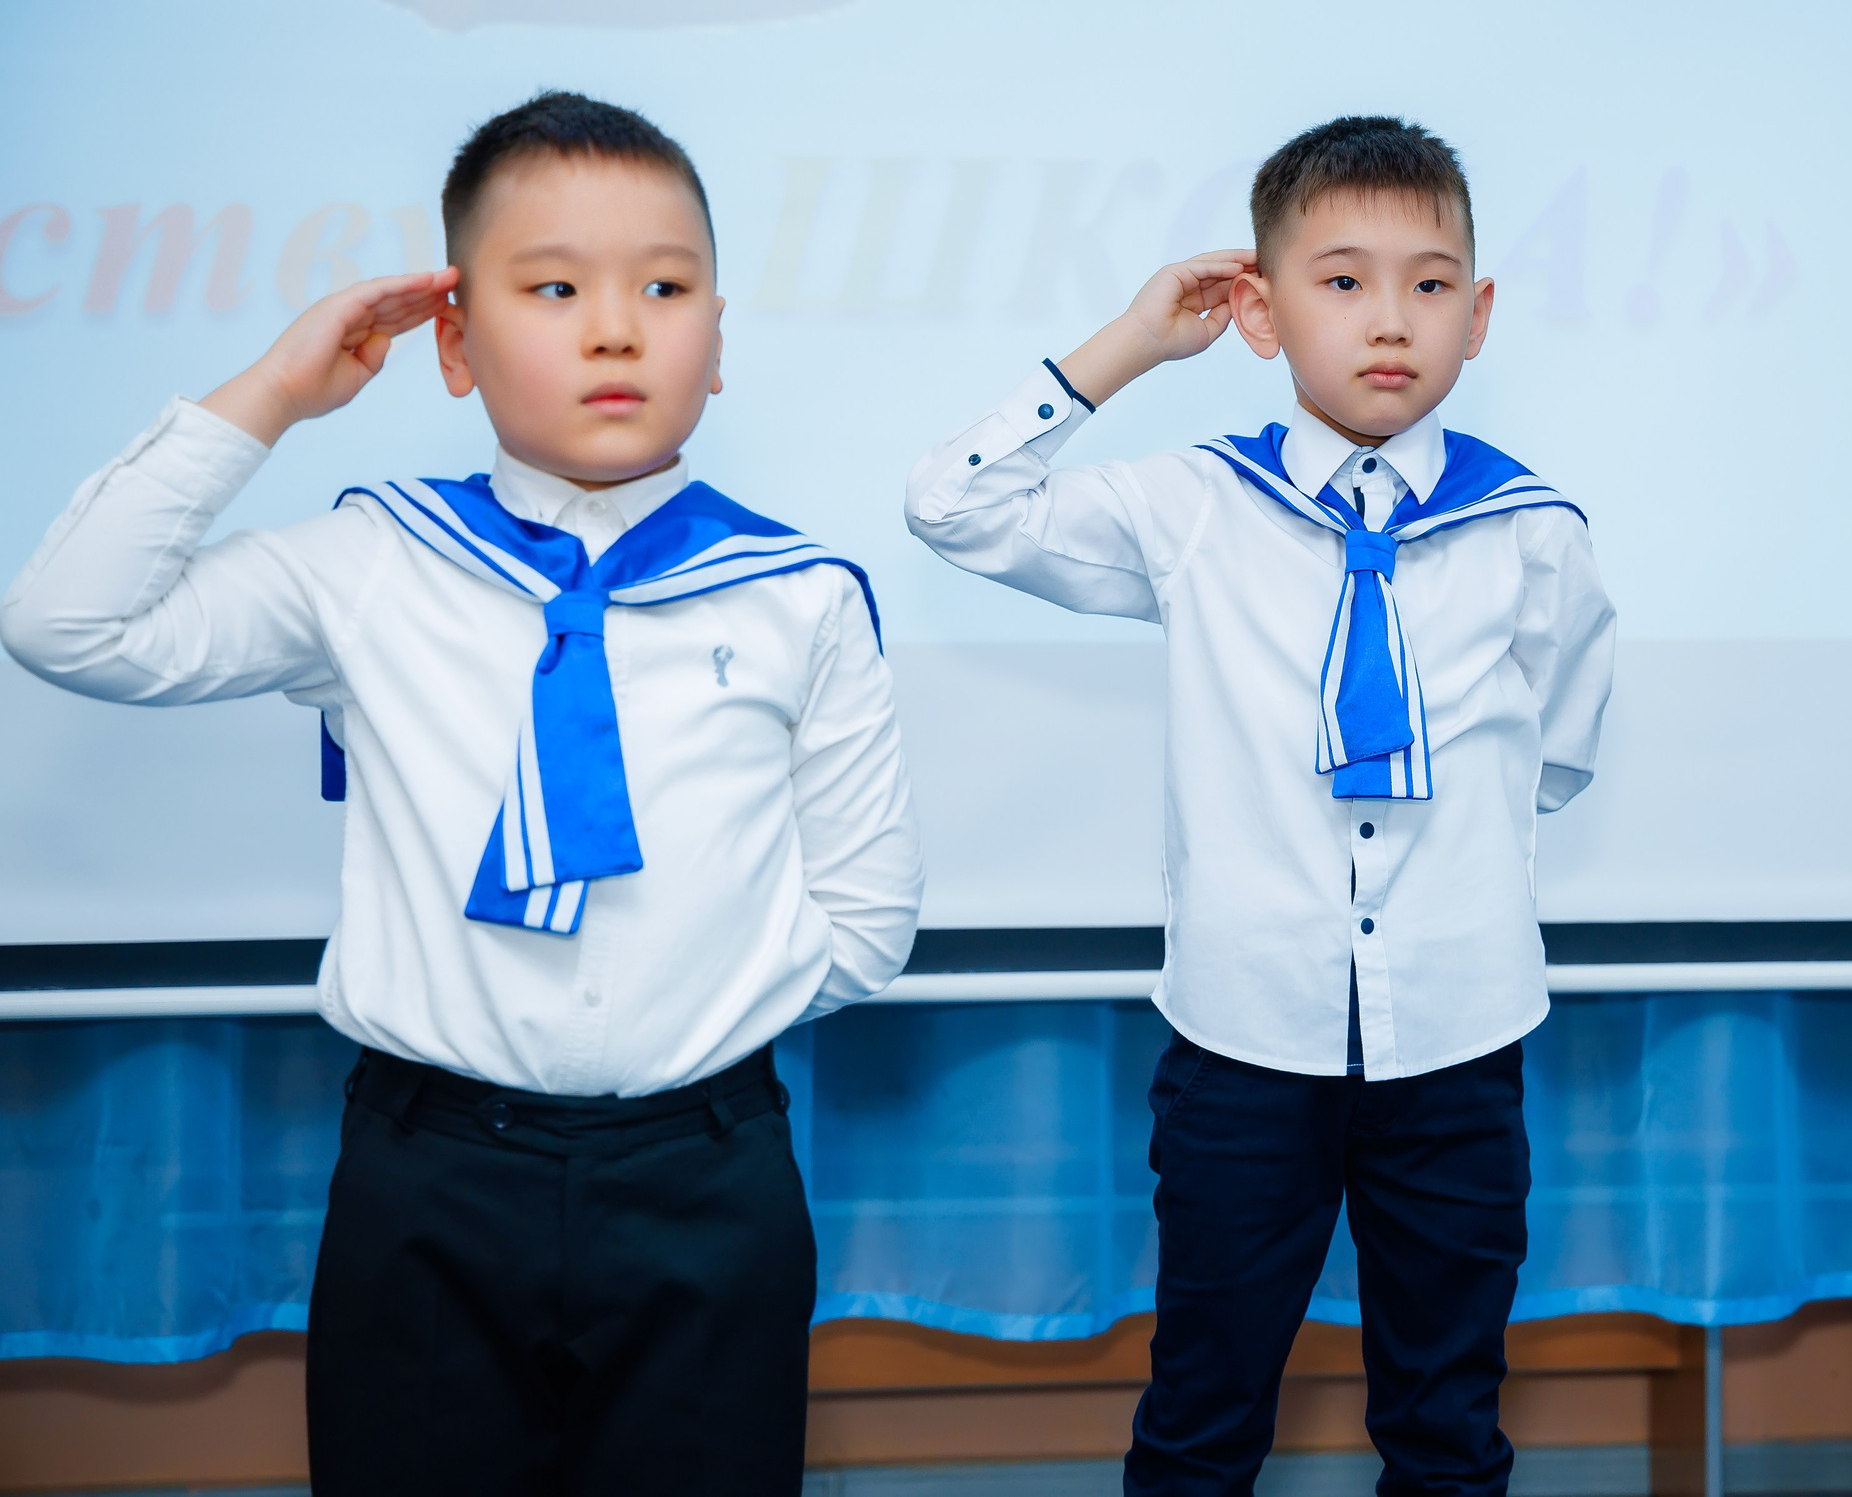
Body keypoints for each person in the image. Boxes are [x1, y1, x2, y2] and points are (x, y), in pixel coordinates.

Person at [0, 91, 923, 1496]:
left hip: (708, 1177)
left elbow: (866, 918)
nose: (616, 328)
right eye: (554, 287)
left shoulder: (800, 596)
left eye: (665, 289)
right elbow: (72, 623)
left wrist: (692, 1037)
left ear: (718, 343)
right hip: (428, 1179)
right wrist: (270, 396)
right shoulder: (371, 563)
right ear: (453, 342)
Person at [907, 115, 1616, 1497]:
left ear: (1479, 318)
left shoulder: (1535, 532)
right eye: (1342, 281)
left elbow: (1557, 746)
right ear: (1260, 311)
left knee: (1449, 1430)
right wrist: (1123, 347)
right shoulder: (1193, 510)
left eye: (1429, 284)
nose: (1389, 319)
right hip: (1242, 1045)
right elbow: (955, 506)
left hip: (1460, 1045)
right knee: (1202, 1420)